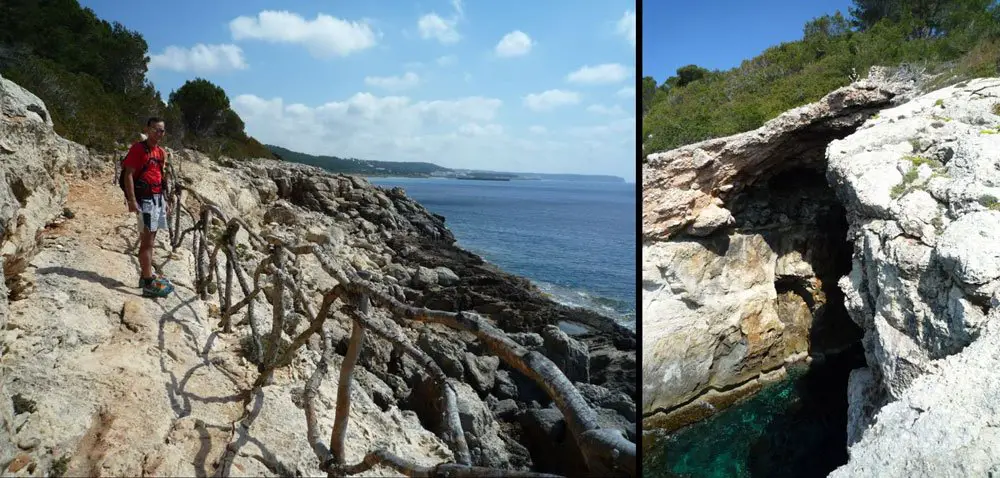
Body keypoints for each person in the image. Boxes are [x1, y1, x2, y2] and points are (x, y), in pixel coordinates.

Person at [122, 117, 174, 297]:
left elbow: (162, 177)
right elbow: (128, 174)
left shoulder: (160, 152)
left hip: (157, 198)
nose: (159, 133)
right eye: (155, 129)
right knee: (147, 242)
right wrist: (131, 200)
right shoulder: (138, 149)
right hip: (145, 199)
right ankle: (148, 282)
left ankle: (145, 278)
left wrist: (165, 200)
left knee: (151, 239)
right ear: (147, 129)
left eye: (162, 131)